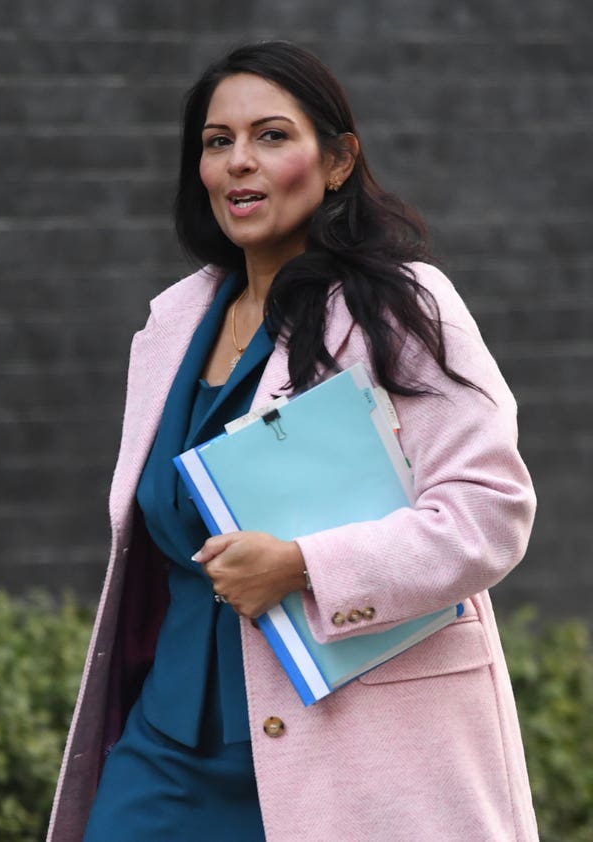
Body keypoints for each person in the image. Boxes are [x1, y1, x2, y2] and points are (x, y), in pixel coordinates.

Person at [46, 41, 538, 841]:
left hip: (349, 744)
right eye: (217, 141)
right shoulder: (171, 325)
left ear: (338, 161)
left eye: (272, 136)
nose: (240, 162)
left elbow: (491, 513)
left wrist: (304, 566)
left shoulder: (400, 308)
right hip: (169, 744)